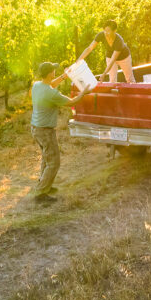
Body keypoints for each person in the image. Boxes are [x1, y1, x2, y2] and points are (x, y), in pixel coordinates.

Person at [31, 61, 88, 203]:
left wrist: (64, 76)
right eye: (54, 70)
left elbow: (50, 85)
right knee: (54, 162)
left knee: (46, 158)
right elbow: (72, 102)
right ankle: (40, 193)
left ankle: (45, 185)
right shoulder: (51, 93)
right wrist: (83, 93)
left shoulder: (37, 85)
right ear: (50, 73)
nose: (54, 71)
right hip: (45, 131)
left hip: (36, 128)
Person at [76, 19, 134, 83]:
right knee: (112, 80)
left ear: (114, 31)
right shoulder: (101, 35)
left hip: (124, 57)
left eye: (108, 31)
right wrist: (79, 60)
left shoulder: (119, 41)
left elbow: (112, 60)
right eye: (105, 30)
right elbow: (89, 48)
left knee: (130, 79)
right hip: (110, 56)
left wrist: (104, 74)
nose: (106, 33)